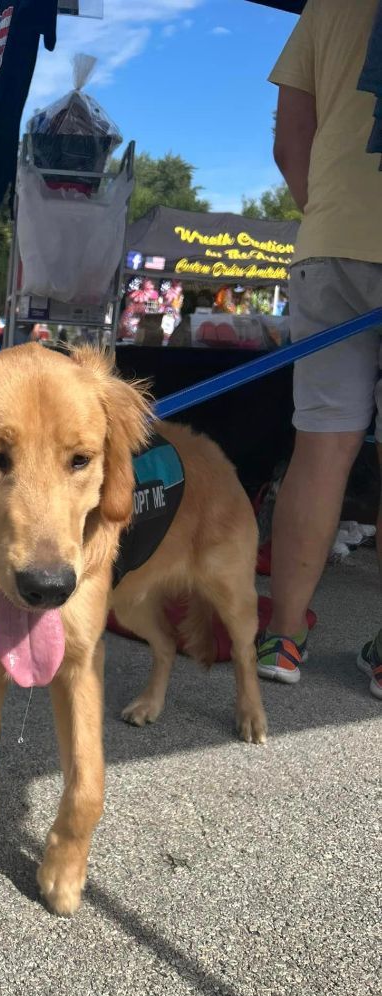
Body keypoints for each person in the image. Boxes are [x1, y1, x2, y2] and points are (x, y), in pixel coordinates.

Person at [257, 0, 382, 697]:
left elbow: (288, 138)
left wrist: (328, 214)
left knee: (321, 446)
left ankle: (283, 634)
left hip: (331, 242)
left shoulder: (328, 4)